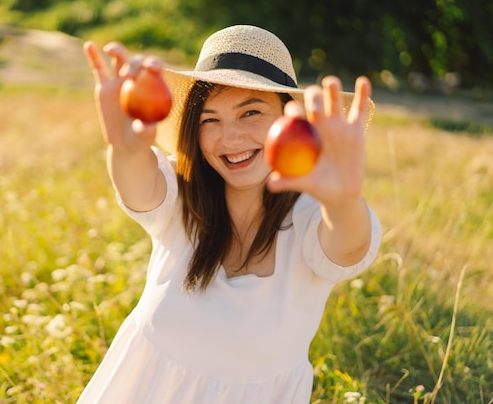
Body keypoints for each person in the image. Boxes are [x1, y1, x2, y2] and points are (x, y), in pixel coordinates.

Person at [79, 25, 382, 404]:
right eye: (210, 120)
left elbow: (348, 245)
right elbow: (137, 185)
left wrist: (343, 200)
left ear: (290, 119)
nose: (230, 138)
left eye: (250, 112)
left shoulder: (312, 216)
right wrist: (124, 149)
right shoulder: (181, 194)